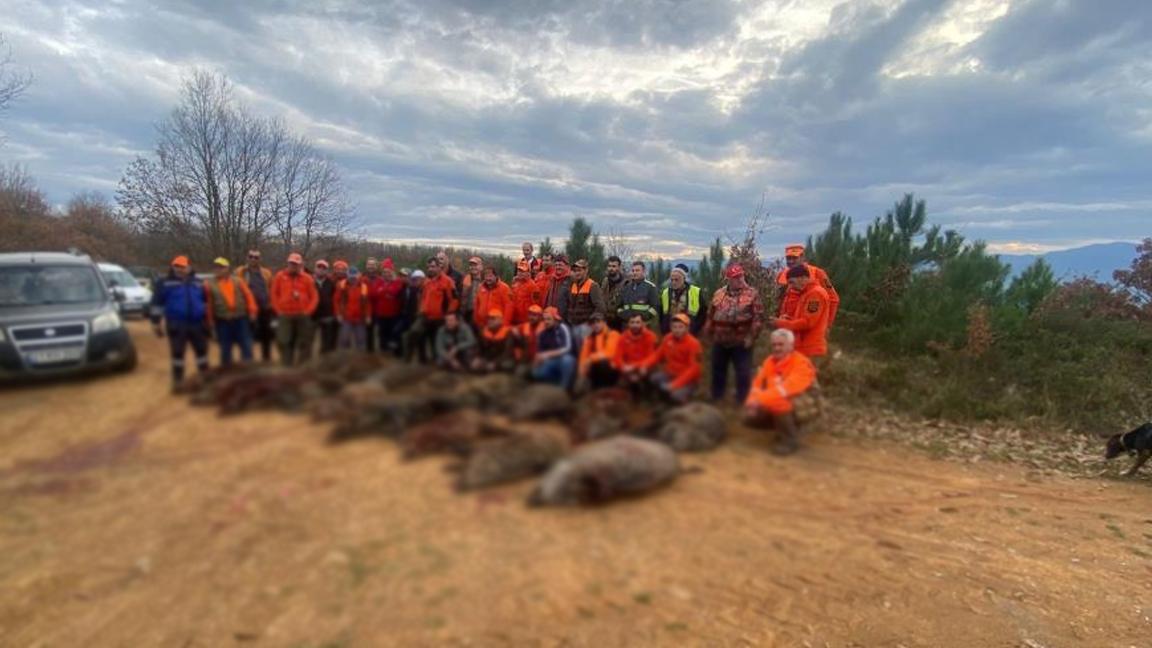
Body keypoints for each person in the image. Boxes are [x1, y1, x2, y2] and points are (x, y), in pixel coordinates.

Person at [744, 329, 818, 455]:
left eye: (781, 344)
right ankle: (780, 428)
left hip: (803, 402)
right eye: (774, 345)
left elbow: (787, 389)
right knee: (750, 419)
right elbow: (757, 384)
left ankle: (790, 440)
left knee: (779, 404)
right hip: (776, 397)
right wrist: (751, 401)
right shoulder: (770, 361)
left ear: (790, 346)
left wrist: (760, 400)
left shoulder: (801, 363)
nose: (777, 348)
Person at [704, 263, 764, 405]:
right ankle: (717, 398)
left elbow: (758, 318)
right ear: (729, 279)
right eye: (736, 278)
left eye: (741, 276)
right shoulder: (719, 293)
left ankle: (742, 400)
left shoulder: (752, 294)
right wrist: (708, 333)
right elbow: (711, 315)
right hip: (720, 340)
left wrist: (751, 337)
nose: (740, 280)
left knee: (743, 372)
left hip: (741, 341)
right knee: (718, 371)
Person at [150, 255, 209, 393]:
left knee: (202, 353)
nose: (179, 269)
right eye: (176, 266)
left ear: (189, 267)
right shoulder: (164, 283)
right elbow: (156, 304)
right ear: (172, 266)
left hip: (197, 324)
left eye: (182, 266)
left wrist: (208, 321)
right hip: (177, 324)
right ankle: (178, 382)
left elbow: (206, 302)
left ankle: (206, 381)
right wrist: (155, 323)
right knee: (177, 354)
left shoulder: (198, 282)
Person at [204, 257, 257, 367]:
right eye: (217, 267)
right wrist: (210, 322)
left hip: (240, 319)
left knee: (246, 347)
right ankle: (227, 375)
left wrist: (252, 311)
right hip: (223, 321)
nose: (218, 269)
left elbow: (248, 296)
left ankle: (249, 372)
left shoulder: (238, 281)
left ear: (227, 269)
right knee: (225, 350)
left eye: (221, 267)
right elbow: (208, 305)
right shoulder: (209, 284)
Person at [640, 313, 702, 403]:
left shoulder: (694, 344)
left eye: (680, 327)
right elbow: (657, 355)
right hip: (670, 375)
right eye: (675, 327)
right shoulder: (667, 338)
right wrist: (644, 365)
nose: (677, 330)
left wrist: (673, 385)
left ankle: (684, 402)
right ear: (671, 328)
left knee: (675, 396)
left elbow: (694, 370)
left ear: (687, 328)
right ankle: (657, 401)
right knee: (652, 378)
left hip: (687, 380)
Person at [773, 264, 832, 359]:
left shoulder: (815, 294)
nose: (791, 287)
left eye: (792, 282)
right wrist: (790, 319)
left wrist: (780, 323)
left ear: (803, 278)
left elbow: (807, 323)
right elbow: (805, 318)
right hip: (803, 348)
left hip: (811, 350)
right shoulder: (806, 293)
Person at [271, 252, 319, 366]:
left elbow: (314, 297)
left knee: (305, 342)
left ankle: (303, 367)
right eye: (291, 263)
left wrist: (308, 312)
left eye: (296, 264)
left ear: (300, 265)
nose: (293, 266)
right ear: (288, 263)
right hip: (285, 315)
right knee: (284, 341)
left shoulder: (307, 278)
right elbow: (274, 295)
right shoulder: (280, 276)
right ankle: (287, 366)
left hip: (302, 315)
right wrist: (279, 311)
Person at [775, 244, 840, 324]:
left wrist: (827, 324)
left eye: (794, 258)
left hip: (808, 324)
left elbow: (833, 299)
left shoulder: (817, 273)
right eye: (788, 258)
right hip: (785, 324)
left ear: (802, 257)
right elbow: (776, 300)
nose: (790, 261)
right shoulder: (781, 274)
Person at [235, 249, 275, 362]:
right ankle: (248, 363)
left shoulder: (266, 272)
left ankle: (266, 361)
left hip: (264, 309)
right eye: (251, 256)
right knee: (247, 338)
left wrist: (271, 305)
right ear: (247, 258)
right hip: (247, 310)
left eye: (256, 257)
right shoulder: (240, 272)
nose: (253, 259)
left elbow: (272, 289)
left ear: (260, 259)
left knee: (266, 338)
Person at [418, 257, 459, 364]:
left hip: (440, 318)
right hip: (425, 316)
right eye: (428, 267)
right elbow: (423, 297)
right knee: (421, 337)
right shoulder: (426, 281)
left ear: (439, 267)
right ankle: (423, 361)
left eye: (432, 266)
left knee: (436, 341)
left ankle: (437, 362)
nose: (430, 269)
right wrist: (421, 310)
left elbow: (454, 300)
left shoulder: (448, 281)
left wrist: (449, 315)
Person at [369, 258, 407, 357]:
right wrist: (386, 291)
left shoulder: (397, 281)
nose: (386, 274)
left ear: (392, 271)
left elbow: (395, 291)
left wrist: (383, 291)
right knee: (382, 335)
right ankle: (384, 354)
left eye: (388, 271)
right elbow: (373, 294)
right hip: (381, 315)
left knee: (394, 335)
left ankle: (397, 355)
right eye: (385, 272)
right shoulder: (378, 281)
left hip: (394, 314)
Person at [532, 306, 575, 388]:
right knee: (537, 373)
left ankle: (564, 388)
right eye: (544, 319)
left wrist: (548, 354)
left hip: (564, 359)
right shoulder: (543, 333)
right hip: (551, 361)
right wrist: (537, 362)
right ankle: (552, 385)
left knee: (567, 360)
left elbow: (567, 348)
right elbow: (540, 353)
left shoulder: (562, 328)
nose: (546, 322)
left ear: (555, 320)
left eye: (548, 319)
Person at [566, 258, 607, 345]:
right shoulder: (573, 285)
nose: (577, 273)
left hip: (586, 327)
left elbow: (601, 308)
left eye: (580, 270)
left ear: (586, 270)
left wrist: (591, 323)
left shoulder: (593, 286)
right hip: (574, 325)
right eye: (575, 270)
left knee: (585, 352)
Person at [616, 313, 659, 395]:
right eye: (632, 322)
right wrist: (623, 367)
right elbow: (617, 357)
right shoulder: (623, 337)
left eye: (637, 322)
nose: (635, 325)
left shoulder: (650, 336)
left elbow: (652, 357)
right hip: (628, 369)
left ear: (642, 323)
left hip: (644, 367)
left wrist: (636, 367)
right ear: (628, 324)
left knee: (647, 375)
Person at [577, 312, 620, 391]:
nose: (596, 325)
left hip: (612, 368)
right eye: (593, 323)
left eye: (598, 322)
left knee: (603, 363)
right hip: (595, 368)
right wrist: (582, 372)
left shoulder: (613, 334)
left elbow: (609, 353)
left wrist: (590, 359)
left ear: (604, 322)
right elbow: (583, 355)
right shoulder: (590, 338)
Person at [660, 264, 706, 336]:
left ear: (684, 279)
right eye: (672, 280)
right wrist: (663, 329)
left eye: (677, 280)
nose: (674, 282)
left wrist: (695, 329)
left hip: (689, 333)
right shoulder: (665, 293)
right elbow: (661, 314)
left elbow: (703, 314)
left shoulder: (696, 292)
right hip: (669, 333)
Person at [335, 266, 370, 351]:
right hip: (346, 317)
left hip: (360, 317)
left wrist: (368, 316)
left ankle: (360, 360)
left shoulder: (364, 287)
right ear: (347, 275)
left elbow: (367, 303)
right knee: (344, 339)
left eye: (354, 277)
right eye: (351, 277)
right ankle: (344, 359)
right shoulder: (342, 285)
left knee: (361, 340)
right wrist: (338, 314)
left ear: (358, 276)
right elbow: (336, 301)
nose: (353, 279)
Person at [472, 308, 515, 373]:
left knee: (507, 365)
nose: (490, 321)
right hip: (488, 359)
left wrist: (495, 363)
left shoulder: (508, 333)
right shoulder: (484, 331)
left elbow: (507, 352)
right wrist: (477, 357)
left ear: (500, 320)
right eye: (489, 319)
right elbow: (479, 347)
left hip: (502, 359)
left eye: (493, 319)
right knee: (475, 365)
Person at [618, 260, 660, 326]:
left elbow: (656, 307)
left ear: (643, 272)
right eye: (633, 270)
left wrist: (644, 317)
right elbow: (619, 306)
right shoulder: (626, 288)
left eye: (637, 270)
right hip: (627, 325)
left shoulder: (650, 287)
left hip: (644, 325)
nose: (634, 273)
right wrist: (623, 315)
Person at [473, 266, 514, 331]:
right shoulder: (481, 287)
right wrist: (476, 321)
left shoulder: (505, 288)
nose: (487, 278)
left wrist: (505, 324)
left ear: (496, 276)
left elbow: (509, 308)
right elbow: (476, 304)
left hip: (497, 326)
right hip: (482, 325)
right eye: (486, 276)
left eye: (490, 276)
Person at [313, 259, 339, 354]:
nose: (321, 269)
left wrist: (334, 313)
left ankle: (324, 363)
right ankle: (306, 364)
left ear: (327, 271)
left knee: (327, 341)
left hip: (327, 315)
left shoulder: (331, 283)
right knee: (308, 341)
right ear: (315, 268)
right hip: (312, 315)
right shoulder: (308, 281)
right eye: (319, 267)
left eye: (324, 268)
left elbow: (335, 299)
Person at [402, 269, 426, 363]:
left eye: (418, 279)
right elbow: (408, 304)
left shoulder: (425, 289)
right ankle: (408, 358)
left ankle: (422, 359)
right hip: (411, 317)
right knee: (411, 337)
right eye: (414, 279)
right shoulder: (411, 289)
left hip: (422, 317)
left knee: (421, 339)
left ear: (422, 279)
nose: (416, 281)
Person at [512, 304, 546, 369]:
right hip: (525, 359)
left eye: (534, 315)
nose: (531, 317)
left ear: (540, 317)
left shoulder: (545, 327)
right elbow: (512, 329)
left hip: (540, 360)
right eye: (530, 314)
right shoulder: (524, 326)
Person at [510, 260, 542, 325]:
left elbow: (536, 304)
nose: (520, 273)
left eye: (523, 271)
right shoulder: (515, 284)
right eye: (519, 271)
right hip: (514, 319)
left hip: (526, 321)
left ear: (528, 273)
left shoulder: (533, 286)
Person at [600, 255, 626, 331]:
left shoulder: (626, 283)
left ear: (619, 267)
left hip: (620, 322)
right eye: (609, 266)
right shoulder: (605, 281)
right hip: (605, 321)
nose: (611, 268)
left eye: (614, 266)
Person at [543, 255, 573, 320]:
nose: (558, 267)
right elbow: (547, 298)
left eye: (560, 265)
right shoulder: (552, 279)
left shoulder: (571, 280)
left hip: (564, 319)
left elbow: (573, 303)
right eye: (556, 265)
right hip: (551, 318)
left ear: (567, 266)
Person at [363, 258, 381, 352]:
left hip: (378, 311)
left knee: (377, 334)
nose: (371, 266)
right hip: (364, 310)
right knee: (366, 333)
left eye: (373, 264)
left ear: (376, 267)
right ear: (366, 266)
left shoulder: (380, 280)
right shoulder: (361, 279)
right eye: (369, 264)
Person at [460, 256, 484, 326]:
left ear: (481, 267)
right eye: (471, 265)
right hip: (466, 315)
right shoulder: (464, 280)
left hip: (481, 316)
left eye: (475, 265)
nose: (473, 267)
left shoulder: (486, 281)